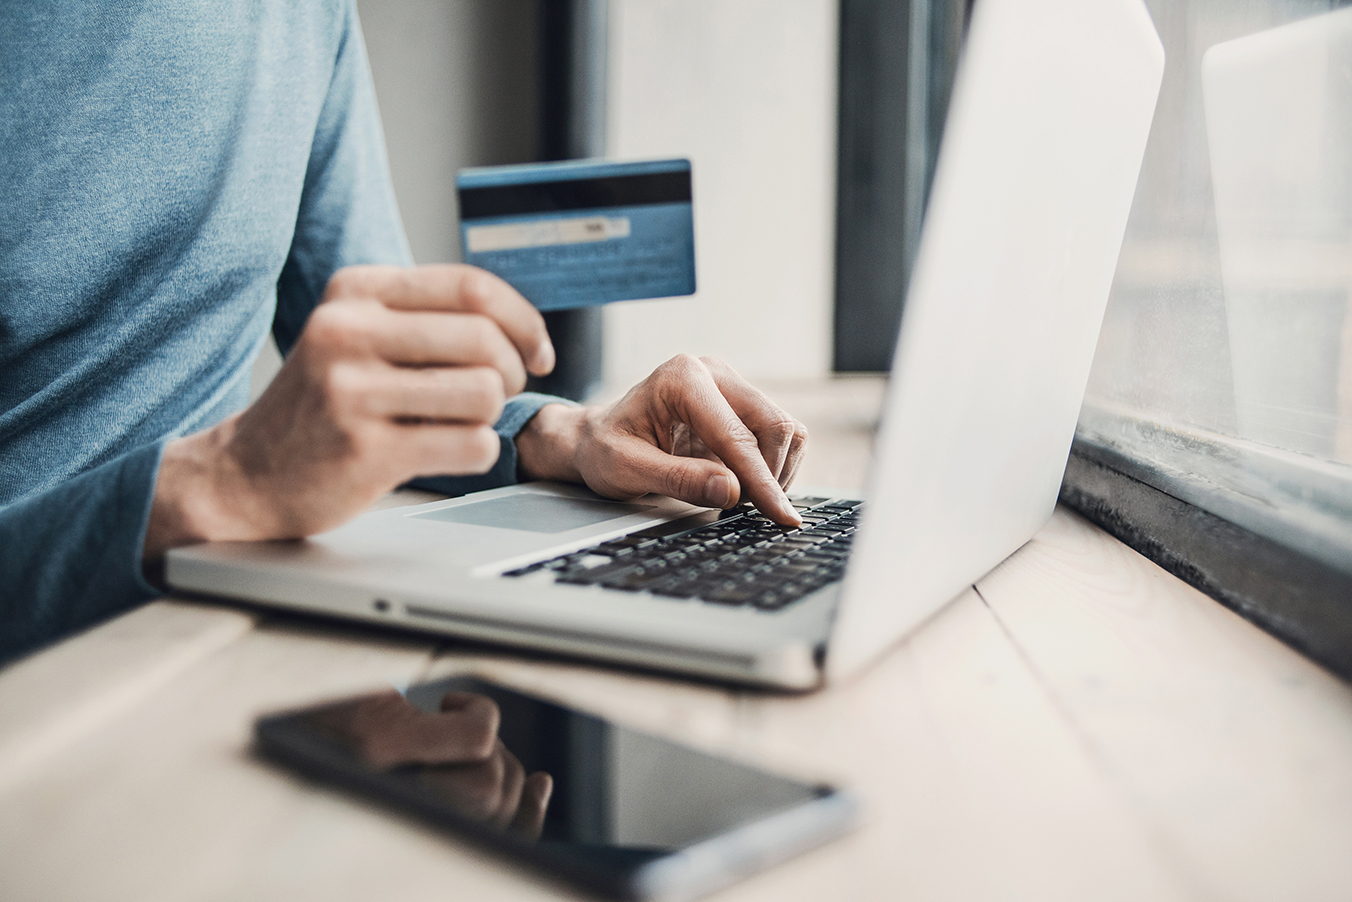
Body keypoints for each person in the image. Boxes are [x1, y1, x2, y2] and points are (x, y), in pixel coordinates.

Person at [0, 1, 807, 664]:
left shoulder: (307, 18)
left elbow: (390, 372)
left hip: (226, 623)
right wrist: (212, 485)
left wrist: (565, 434)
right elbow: (235, 476)